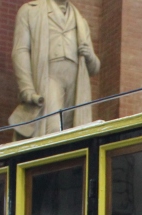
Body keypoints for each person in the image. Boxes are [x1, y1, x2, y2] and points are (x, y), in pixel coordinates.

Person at [10, 0, 101, 138]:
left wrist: (90, 56)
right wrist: (26, 88)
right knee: (52, 129)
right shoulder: (30, 11)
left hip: (75, 83)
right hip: (49, 77)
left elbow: (94, 68)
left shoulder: (81, 22)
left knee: (73, 132)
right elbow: (20, 51)